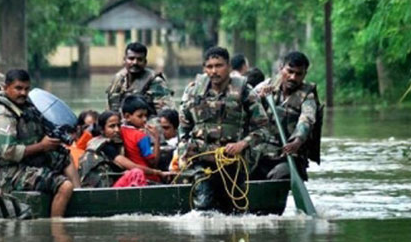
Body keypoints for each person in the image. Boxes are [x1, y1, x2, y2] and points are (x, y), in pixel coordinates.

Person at [178, 46, 269, 212]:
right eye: (209, 67)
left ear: (228, 67)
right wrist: (185, 154)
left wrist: (242, 144)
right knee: (204, 204)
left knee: (235, 209)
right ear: (204, 68)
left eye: (218, 66)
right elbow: (183, 128)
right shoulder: (193, 92)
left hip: (233, 160)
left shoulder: (245, 92)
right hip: (202, 160)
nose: (214, 71)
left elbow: (263, 129)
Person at [0, 69, 80, 218]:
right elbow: (8, 151)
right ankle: (57, 229)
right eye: (18, 88)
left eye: (26, 89)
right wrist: (42, 146)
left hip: (30, 160)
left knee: (65, 157)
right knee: (65, 186)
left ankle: (80, 196)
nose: (23, 93)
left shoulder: (26, 106)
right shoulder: (2, 114)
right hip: (10, 172)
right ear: (5, 88)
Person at [252, 51, 320, 181]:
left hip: (288, 157)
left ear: (305, 74)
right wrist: (258, 99)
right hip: (261, 155)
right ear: (281, 68)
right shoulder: (265, 86)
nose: (293, 77)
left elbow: (307, 119)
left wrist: (298, 141)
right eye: (289, 71)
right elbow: (242, 108)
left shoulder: (308, 96)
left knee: (279, 175)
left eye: (298, 74)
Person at [79, 111, 169, 188]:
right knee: (136, 173)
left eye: (118, 125)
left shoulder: (112, 142)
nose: (117, 130)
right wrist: (157, 172)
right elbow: (132, 166)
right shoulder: (105, 146)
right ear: (102, 130)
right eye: (112, 126)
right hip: (101, 191)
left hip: (107, 186)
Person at [106, 42, 174, 116]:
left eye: (139, 59)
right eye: (131, 59)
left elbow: (166, 116)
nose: (135, 62)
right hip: (120, 124)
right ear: (124, 60)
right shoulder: (118, 79)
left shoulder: (155, 82)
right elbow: (109, 109)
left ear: (145, 62)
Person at [120, 94, 162, 182]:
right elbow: (153, 163)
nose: (144, 119)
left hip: (128, 176)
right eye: (140, 116)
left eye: (145, 116)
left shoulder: (120, 131)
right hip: (147, 177)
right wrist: (157, 139)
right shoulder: (141, 136)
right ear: (127, 117)